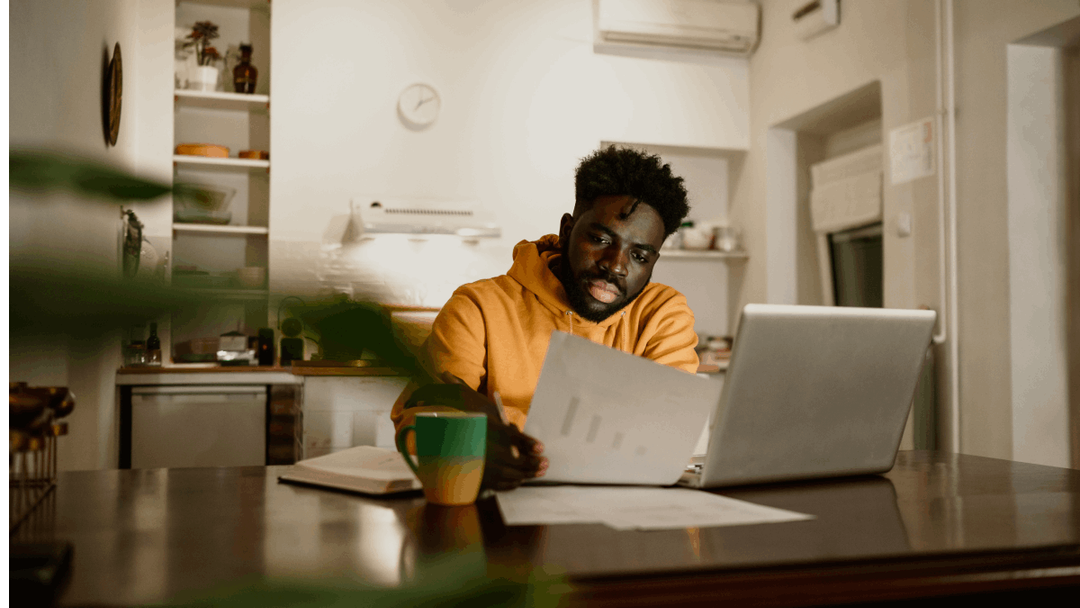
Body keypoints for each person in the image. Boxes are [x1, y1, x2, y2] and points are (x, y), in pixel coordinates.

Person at [391, 145, 699, 490]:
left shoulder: (663, 315)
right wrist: (467, 450)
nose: (615, 265)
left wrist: (514, 430)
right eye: (599, 238)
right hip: (497, 511)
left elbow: (666, 436)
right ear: (567, 229)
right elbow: (419, 418)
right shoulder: (477, 307)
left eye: (639, 255)